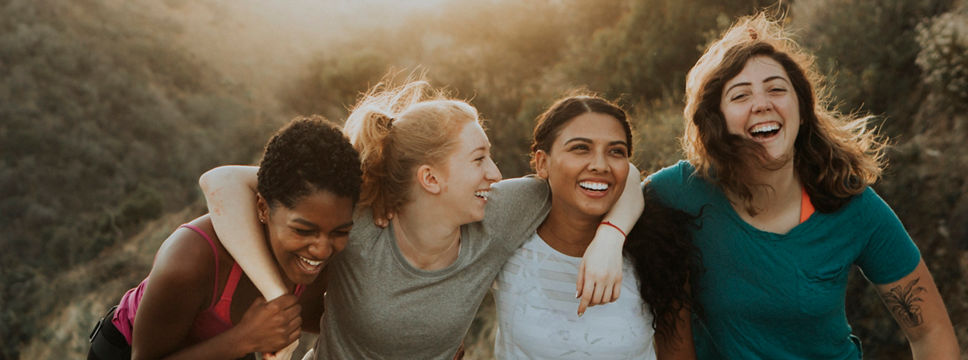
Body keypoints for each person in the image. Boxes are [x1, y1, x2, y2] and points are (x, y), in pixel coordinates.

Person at [199, 78, 644, 359]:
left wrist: (610, 238)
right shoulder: (359, 218)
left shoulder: (501, 211)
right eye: (479, 158)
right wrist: (280, 302)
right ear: (430, 178)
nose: (496, 173)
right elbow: (221, 182)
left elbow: (624, 174)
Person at [645, 13, 960, 359]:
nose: (762, 103)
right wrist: (610, 235)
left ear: (802, 107)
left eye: (777, 89)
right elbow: (616, 186)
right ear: (715, 118)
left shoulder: (851, 204)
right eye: (740, 95)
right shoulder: (683, 190)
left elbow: (931, 331)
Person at [87, 116, 362, 360]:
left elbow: (330, 319)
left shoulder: (315, 266)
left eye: (340, 232)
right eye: (303, 230)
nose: (322, 250)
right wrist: (245, 339)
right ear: (263, 208)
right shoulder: (189, 261)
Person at [493, 94, 699, 359]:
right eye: (580, 148)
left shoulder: (659, 250)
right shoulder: (508, 238)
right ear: (542, 163)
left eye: (616, 151)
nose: (600, 165)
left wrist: (611, 239)